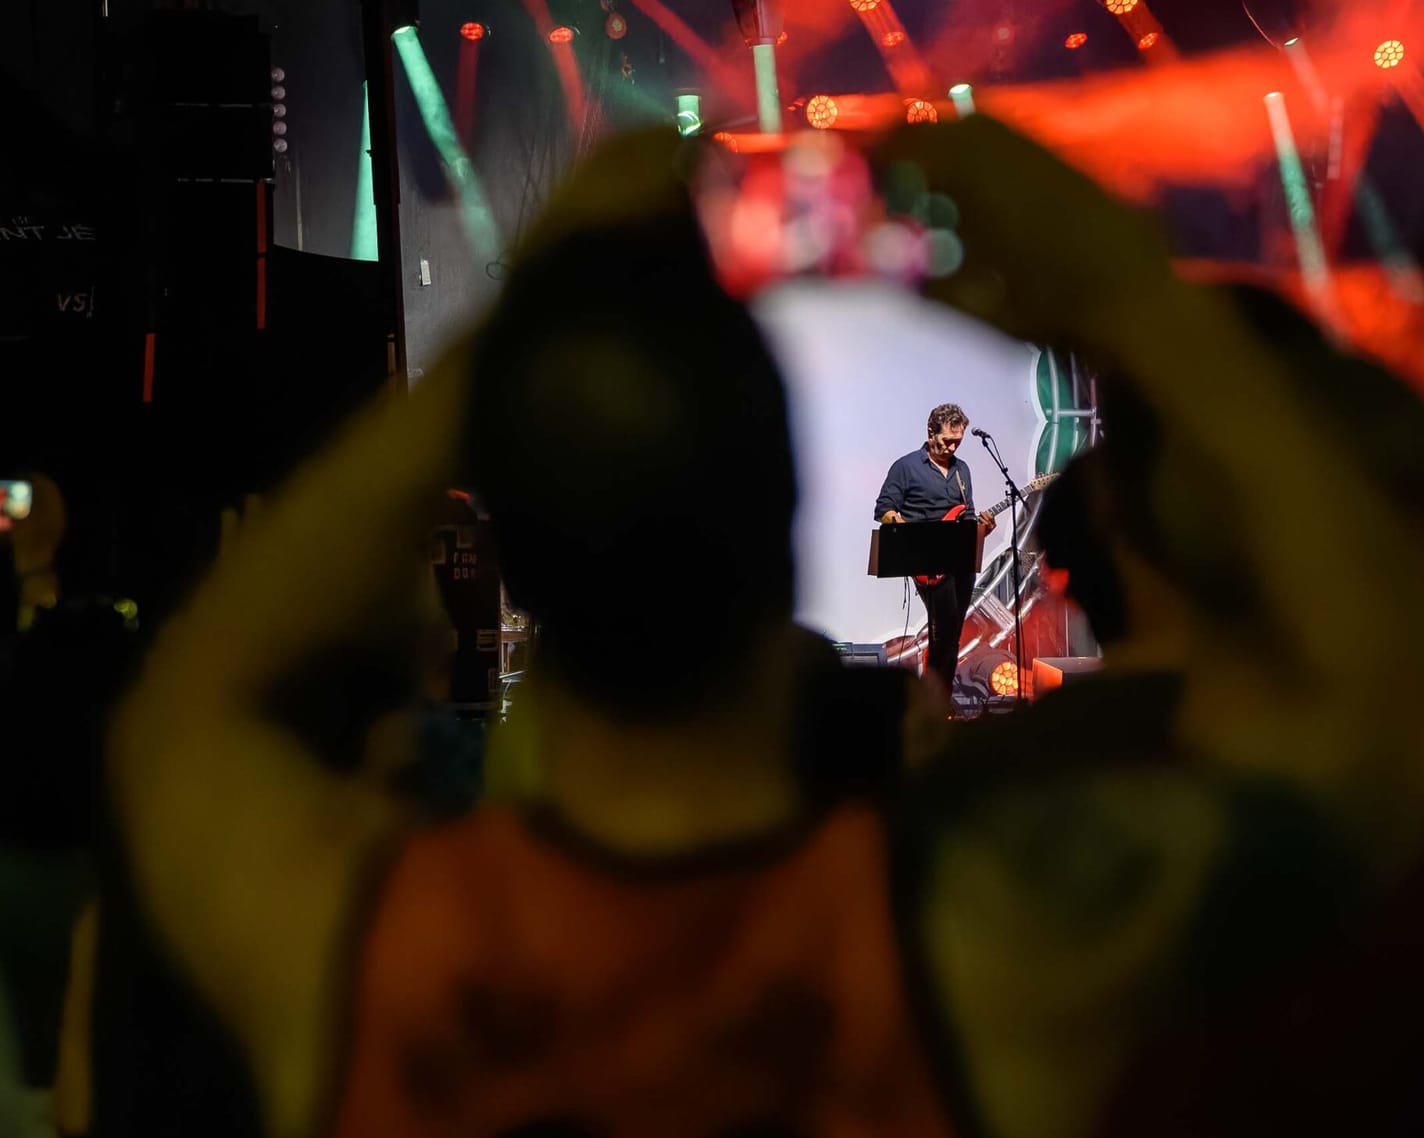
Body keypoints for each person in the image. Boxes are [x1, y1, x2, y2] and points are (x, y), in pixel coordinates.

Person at [108, 131, 955, 1138]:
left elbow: (181, 705)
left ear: (517, 554)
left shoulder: (369, 942)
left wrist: (522, 323)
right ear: (787, 529)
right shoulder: (957, 954)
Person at [874, 403, 994, 693]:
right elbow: (883, 509)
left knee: (951, 635)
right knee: (945, 631)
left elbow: (967, 513)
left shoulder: (962, 470)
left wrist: (982, 529)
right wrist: (901, 526)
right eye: (947, 440)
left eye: (958, 442)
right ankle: (934, 698)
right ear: (931, 432)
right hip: (927, 561)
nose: (952, 447)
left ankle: (937, 697)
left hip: (960, 559)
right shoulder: (906, 467)